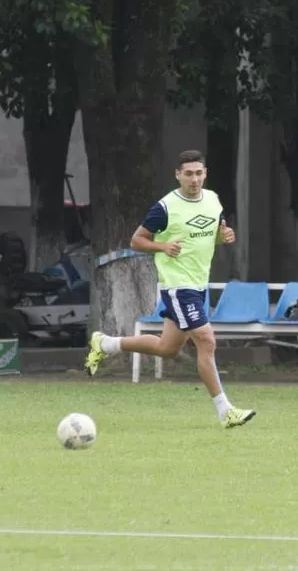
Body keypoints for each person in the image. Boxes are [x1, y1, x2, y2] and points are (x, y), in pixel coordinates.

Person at [84, 149, 256, 429]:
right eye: (188, 174)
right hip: (178, 286)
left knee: (167, 348)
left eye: (199, 173)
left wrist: (224, 237)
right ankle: (226, 411)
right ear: (178, 175)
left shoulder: (213, 200)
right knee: (206, 340)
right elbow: (137, 241)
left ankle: (106, 343)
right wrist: (162, 246)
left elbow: (211, 237)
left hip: (199, 285)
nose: (194, 179)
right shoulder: (165, 207)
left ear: (205, 174)